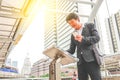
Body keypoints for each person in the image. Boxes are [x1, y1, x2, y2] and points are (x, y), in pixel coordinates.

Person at [66, 12, 102, 80]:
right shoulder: (73, 34)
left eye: (72, 22)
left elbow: (97, 38)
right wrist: (61, 52)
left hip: (92, 59)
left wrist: (83, 39)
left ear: (78, 19)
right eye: (69, 23)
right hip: (80, 62)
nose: (71, 25)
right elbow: (71, 50)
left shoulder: (90, 25)